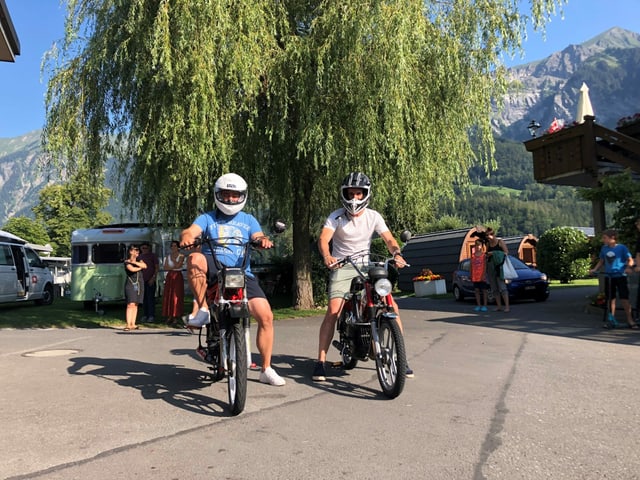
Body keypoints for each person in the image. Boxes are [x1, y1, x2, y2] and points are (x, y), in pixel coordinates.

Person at [180, 173, 286, 386]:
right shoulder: (207, 218)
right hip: (214, 270)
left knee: (266, 316)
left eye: (235, 195)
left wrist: (263, 241)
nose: (230, 199)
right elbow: (190, 231)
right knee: (194, 258)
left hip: (241, 273)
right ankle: (201, 309)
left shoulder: (249, 219)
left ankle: (266, 368)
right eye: (226, 194)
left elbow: (258, 236)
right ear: (218, 195)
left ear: (242, 196)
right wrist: (187, 238)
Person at [313, 172, 412, 382]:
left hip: (368, 265)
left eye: (358, 194)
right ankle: (320, 361)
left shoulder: (374, 216)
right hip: (343, 265)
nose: (354, 198)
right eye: (351, 194)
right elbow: (324, 239)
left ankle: (401, 359)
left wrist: (397, 254)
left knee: (391, 306)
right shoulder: (336, 216)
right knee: (333, 310)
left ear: (365, 194)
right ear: (344, 194)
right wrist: (328, 256)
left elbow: (389, 239)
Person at [588, 229, 637, 329]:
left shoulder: (622, 248)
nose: (603, 240)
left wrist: (628, 268)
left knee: (624, 298)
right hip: (609, 277)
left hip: (620, 276)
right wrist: (595, 269)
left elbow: (630, 260)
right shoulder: (604, 249)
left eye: (605, 238)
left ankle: (630, 320)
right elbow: (601, 261)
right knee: (610, 299)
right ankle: (611, 320)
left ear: (612, 238)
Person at [485, 227, 510, 313]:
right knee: (494, 287)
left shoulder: (500, 242)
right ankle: (499, 306)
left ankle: (507, 307)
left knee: (502, 287)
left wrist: (494, 253)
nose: (488, 237)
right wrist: (487, 255)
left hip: (500, 266)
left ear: (493, 234)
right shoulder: (488, 244)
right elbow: (486, 254)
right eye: (487, 235)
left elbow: (506, 252)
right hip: (490, 266)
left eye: (489, 235)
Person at [162, 240, 185, 327]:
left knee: (176, 295)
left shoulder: (181, 256)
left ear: (178, 247)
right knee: (168, 295)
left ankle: (176, 315)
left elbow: (178, 266)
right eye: (172, 246)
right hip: (170, 275)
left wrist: (173, 260)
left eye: (175, 246)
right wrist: (172, 265)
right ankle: (169, 315)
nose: (173, 248)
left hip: (177, 276)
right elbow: (165, 267)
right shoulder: (168, 256)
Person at [124, 245, 147, 331]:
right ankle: (128, 324)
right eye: (135, 250)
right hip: (131, 284)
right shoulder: (127, 262)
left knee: (136, 304)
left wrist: (136, 263)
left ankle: (133, 324)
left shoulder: (139, 260)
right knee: (130, 304)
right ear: (130, 251)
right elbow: (131, 269)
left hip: (139, 283)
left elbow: (145, 265)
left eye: (138, 250)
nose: (137, 252)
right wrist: (139, 267)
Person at [138, 242, 159, 323]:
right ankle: (145, 315)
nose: (144, 249)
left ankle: (151, 315)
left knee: (150, 298)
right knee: (143, 299)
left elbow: (156, 268)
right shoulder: (139, 257)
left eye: (146, 248)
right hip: (142, 281)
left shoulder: (153, 256)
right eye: (143, 248)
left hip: (150, 280)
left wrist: (153, 278)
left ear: (149, 248)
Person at [470, 239, 489, 312]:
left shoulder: (483, 255)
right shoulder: (473, 255)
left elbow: (485, 266)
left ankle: (485, 305)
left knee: (484, 290)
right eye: (476, 245)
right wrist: (471, 274)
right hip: (475, 275)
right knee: (476, 290)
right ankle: (478, 305)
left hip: (482, 275)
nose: (478, 247)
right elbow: (471, 265)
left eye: (479, 245)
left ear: (481, 246)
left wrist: (483, 274)